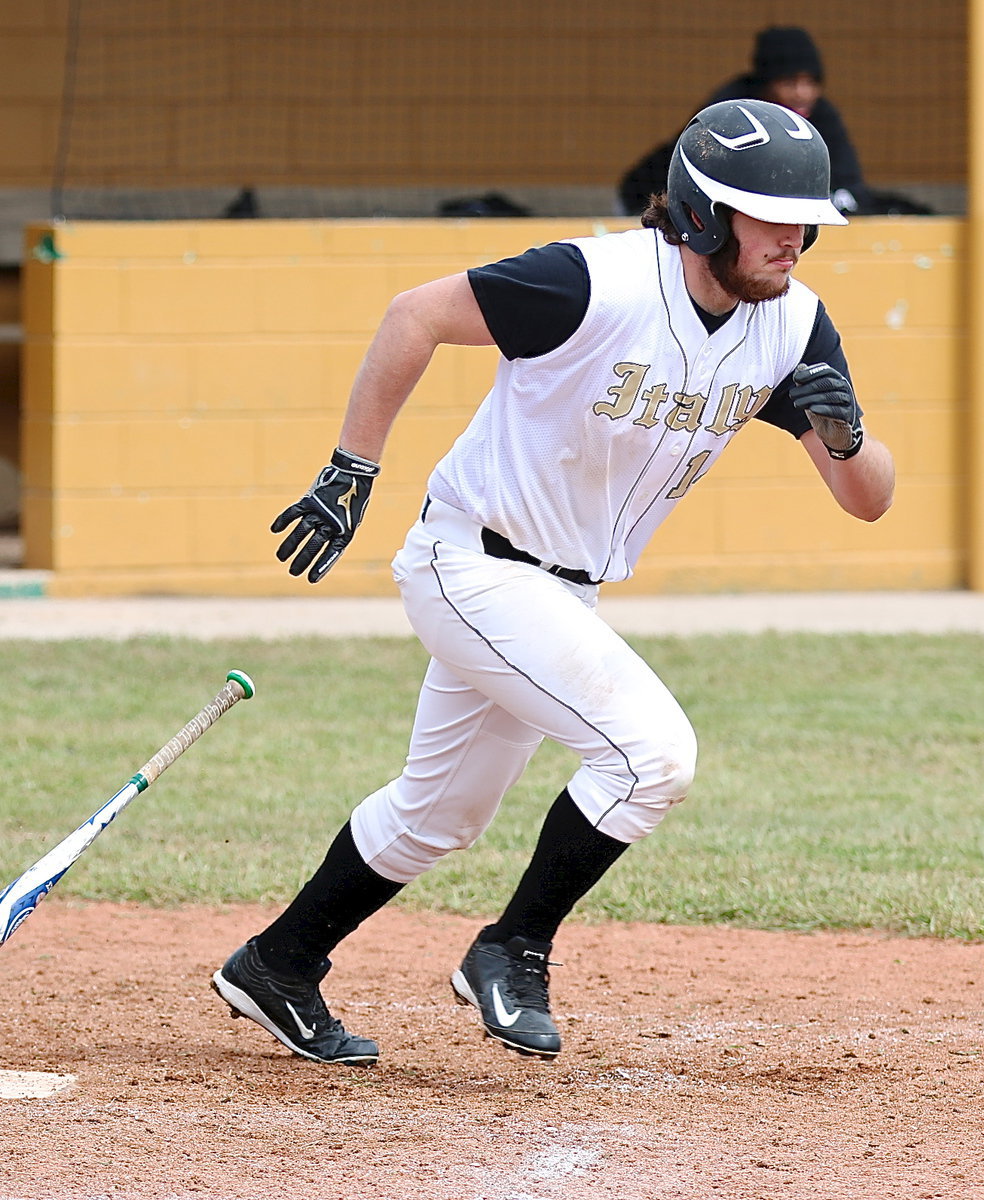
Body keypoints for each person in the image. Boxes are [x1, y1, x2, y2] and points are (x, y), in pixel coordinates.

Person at [211, 98, 895, 1067]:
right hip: (471, 565)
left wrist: (847, 437)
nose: (793, 239)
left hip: (563, 592)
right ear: (701, 213)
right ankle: (511, 948)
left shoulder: (789, 326)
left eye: (803, 222)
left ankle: (278, 963)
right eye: (766, 215)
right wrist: (350, 469)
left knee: (440, 814)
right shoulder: (598, 280)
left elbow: (866, 501)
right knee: (652, 757)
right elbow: (416, 315)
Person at [619, 26, 931, 218]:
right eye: (789, 81)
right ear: (765, 81)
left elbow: (849, 183)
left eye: (811, 82)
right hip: (640, 197)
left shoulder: (823, 115)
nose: (802, 93)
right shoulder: (730, 108)